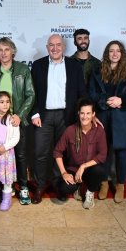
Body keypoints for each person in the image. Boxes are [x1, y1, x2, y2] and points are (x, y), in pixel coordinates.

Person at [30, 34, 86, 204]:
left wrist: (84, 115)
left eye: (58, 45)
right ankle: (40, 185)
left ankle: (58, 185)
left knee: (62, 153)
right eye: (51, 45)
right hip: (44, 116)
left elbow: (81, 93)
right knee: (40, 152)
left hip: (66, 116)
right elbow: (31, 93)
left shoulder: (74, 65)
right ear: (47, 47)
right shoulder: (38, 65)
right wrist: (34, 113)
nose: (55, 48)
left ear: (63, 47)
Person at [0, 37, 35, 205]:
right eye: (0, 50)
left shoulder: (23, 69)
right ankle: (0, 190)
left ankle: (23, 187)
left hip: (15, 121)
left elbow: (30, 95)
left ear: (13, 51)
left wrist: (20, 115)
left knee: (20, 155)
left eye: (7, 49)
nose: (4, 53)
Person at [89, 40, 126, 203]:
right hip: (103, 117)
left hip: (122, 117)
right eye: (111, 51)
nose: (115, 54)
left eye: (118, 51)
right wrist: (102, 102)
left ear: (122, 53)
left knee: (122, 153)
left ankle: (120, 185)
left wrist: (122, 100)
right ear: (107, 54)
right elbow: (91, 93)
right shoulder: (97, 71)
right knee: (103, 153)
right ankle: (104, 183)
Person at [54, 98, 107, 209]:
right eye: (82, 113)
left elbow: (102, 155)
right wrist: (64, 173)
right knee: (64, 188)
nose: (85, 116)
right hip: (73, 169)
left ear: (93, 114)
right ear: (78, 113)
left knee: (99, 170)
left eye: (88, 113)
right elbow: (57, 152)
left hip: (90, 170)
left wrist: (83, 166)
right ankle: (77, 188)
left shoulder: (99, 131)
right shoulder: (70, 130)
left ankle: (90, 192)